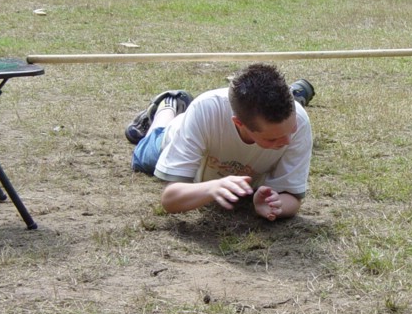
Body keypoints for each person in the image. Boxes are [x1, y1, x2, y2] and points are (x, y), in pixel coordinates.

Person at [127, 64, 315, 221]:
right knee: (141, 157)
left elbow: (292, 196)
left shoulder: (300, 121)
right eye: (272, 138)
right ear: (238, 124)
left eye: (290, 129)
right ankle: (169, 103)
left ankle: (295, 96)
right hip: (176, 135)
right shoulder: (205, 109)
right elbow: (170, 199)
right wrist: (212, 188)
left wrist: (278, 205)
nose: (287, 141)